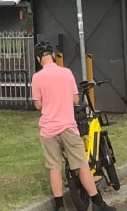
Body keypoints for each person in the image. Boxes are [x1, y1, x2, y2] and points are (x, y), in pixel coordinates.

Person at [31, 40, 112, 210]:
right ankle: (99, 204)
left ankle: (59, 205)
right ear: (53, 56)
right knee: (81, 165)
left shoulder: (37, 78)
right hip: (68, 126)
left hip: (48, 129)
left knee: (54, 167)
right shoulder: (67, 73)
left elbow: (38, 105)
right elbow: (75, 98)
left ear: (39, 59)